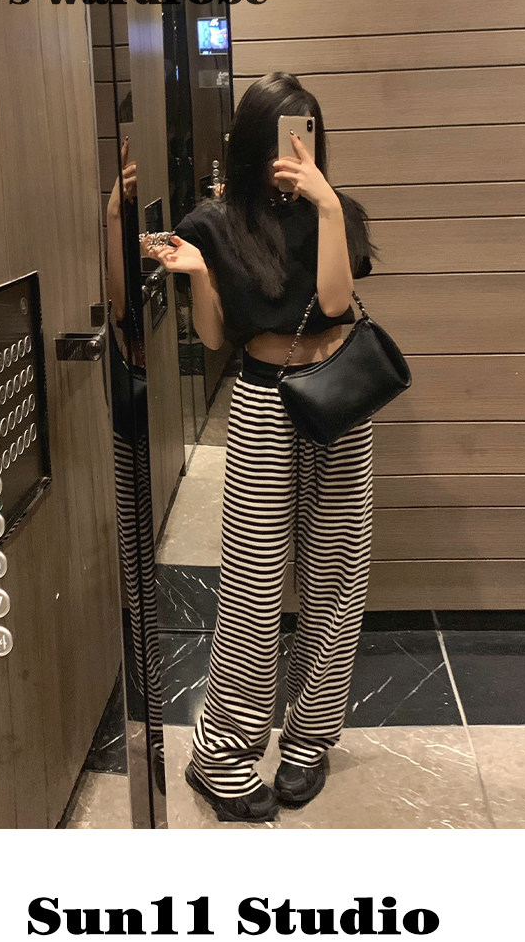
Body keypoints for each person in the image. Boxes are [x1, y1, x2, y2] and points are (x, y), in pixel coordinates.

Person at [144, 72, 377, 823]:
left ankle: (309, 740)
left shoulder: (339, 211)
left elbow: (336, 303)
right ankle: (221, 753)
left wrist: (328, 205)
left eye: (308, 131)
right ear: (254, 139)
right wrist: (198, 275)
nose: (296, 148)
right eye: (283, 132)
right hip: (264, 402)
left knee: (337, 574)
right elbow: (216, 338)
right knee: (253, 581)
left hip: (339, 401)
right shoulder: (214, 222)